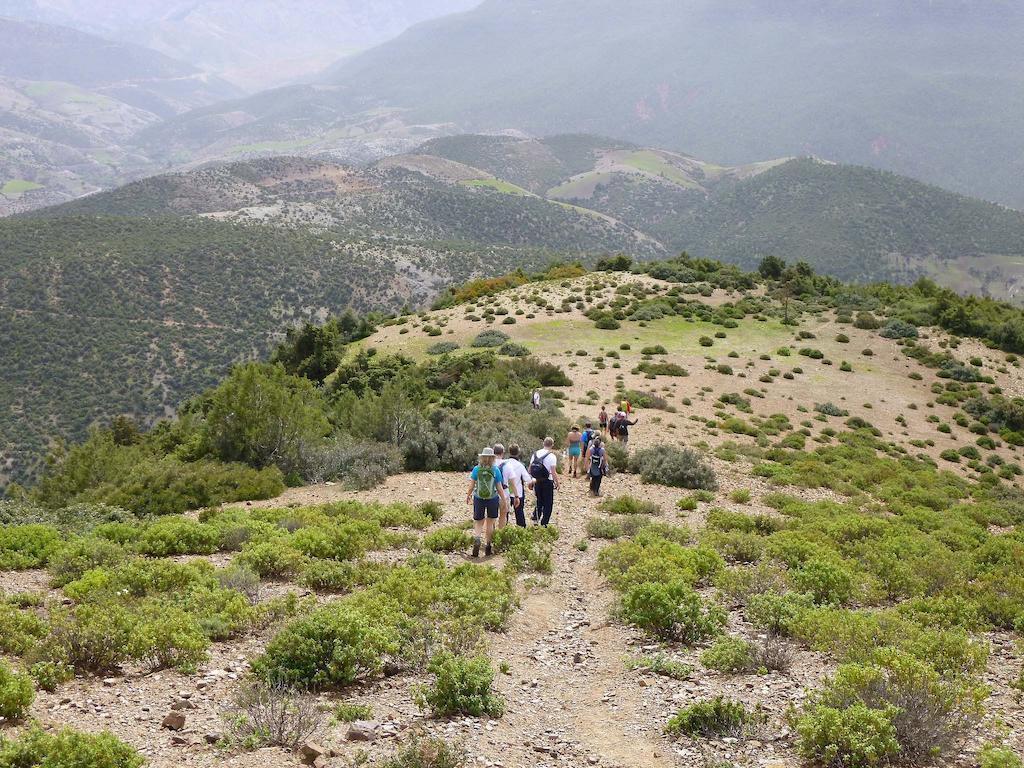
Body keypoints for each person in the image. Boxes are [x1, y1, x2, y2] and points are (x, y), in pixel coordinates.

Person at [466, 447, 509, 557]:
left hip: (479, 498)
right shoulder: (495, 470)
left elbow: (472, 484)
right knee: (490, 522)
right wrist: (504, 500)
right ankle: (488, 545)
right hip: (492, 498)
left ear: (482, 457)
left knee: (479, 521)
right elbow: (499, 487)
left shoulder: (477, 469)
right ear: (492, 458)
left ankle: (477, 538)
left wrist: (468, 495)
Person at [528, 437, 559, 527]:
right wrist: (557, 483)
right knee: (548, 503)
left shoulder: (535, 454)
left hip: (537, 480)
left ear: (543, 443)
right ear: (552, 445)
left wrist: (531, 480)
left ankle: (536, 519)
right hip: (547, 481)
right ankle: (544, 523)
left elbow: (530, 469)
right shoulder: (552, 456)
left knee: (539, 500)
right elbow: (553, 472)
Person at [499, 443, 532, 528]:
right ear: (518, 452)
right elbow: (527, 479)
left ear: (509, 452)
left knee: (504, 513)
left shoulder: (504, 463)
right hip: (518, 493)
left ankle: (504, 529)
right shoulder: (520, 465)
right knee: (519, 512)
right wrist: (534, 480)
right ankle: (521, 529)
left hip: (505, 492)